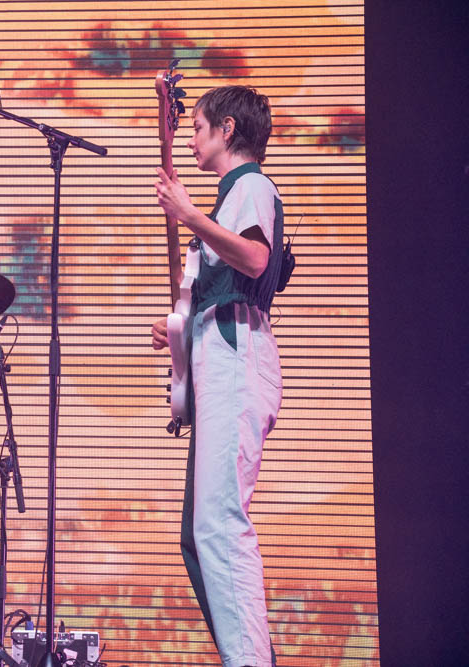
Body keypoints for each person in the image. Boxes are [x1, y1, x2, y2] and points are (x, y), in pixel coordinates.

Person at [152, 85, 284, 667]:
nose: (190, 140)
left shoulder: (251, 185)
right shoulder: (234, 196)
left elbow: (255, 259)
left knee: (219, 528)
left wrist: (188, 214)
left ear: (227, 129)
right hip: (220, 356)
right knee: (198, 536)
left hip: (235, 358)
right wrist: (180, 329)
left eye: (197, 128)